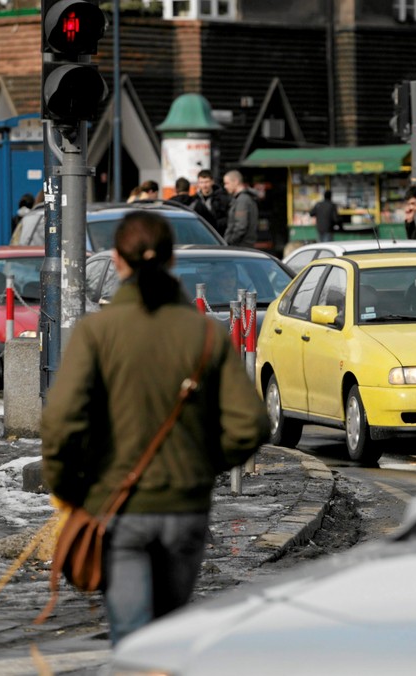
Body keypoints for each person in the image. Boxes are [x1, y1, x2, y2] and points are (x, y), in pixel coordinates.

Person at [41, 210, 269, 645]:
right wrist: (202, 468)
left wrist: (70, 489)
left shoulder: (97, 332)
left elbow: (60, 420)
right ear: (170, 261)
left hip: (118, 508)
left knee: (132, 643)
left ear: (117, 260)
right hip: (185, 508)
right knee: (169, 638)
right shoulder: (204, 333)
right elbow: (250, 425)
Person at [223, 169, 259, 248]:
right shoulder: (244, 198)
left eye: (227, 183)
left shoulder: (242, 200)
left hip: (240, 246)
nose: (225, 186)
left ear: (236, 182)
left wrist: (229, 242)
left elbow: (240, 227)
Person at [193, 169, 230, 237]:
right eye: (201, 182)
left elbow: (228, 217)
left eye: (207, 182)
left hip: (218, 234)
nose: (204, 185)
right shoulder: (194, 200)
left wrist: (214, 224)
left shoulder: (222, 198)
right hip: (199, 234)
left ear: (212, 182)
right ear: (198, 183)